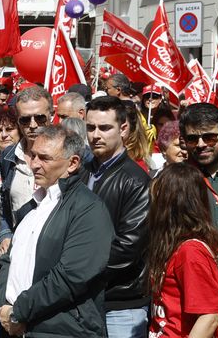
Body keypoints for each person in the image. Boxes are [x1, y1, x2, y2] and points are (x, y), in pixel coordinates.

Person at [0, 126, 113, 337]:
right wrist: (5, 305)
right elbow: (9, 260)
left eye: (45, 158)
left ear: (73, 163)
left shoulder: (88, 209)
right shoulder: (32, 207)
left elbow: (71, 276)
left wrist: (19, 311)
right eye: (33, 155)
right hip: (16, 327)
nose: (34, 164)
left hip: (62, 329)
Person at [147, 163, 218, 338]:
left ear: (170, 203)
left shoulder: (190, 251)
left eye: (156, 197)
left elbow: (209, 318)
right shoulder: (193, 244)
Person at [84, 96, 151, 337]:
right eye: (90, 127)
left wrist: (76, 269)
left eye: (104, 128)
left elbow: (127, 248)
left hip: (121, 305)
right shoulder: (82, 172)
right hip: (84, 301)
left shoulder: (136, 180)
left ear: (123, 129)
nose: (95, 135)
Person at [0, 85, 52, 243]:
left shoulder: (69, 155)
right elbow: (4, 203)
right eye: (25, 119)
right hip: (18, 245)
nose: (33, 125)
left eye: (40, 118)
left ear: (52, 115)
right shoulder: (8, 156)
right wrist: (5, 234)